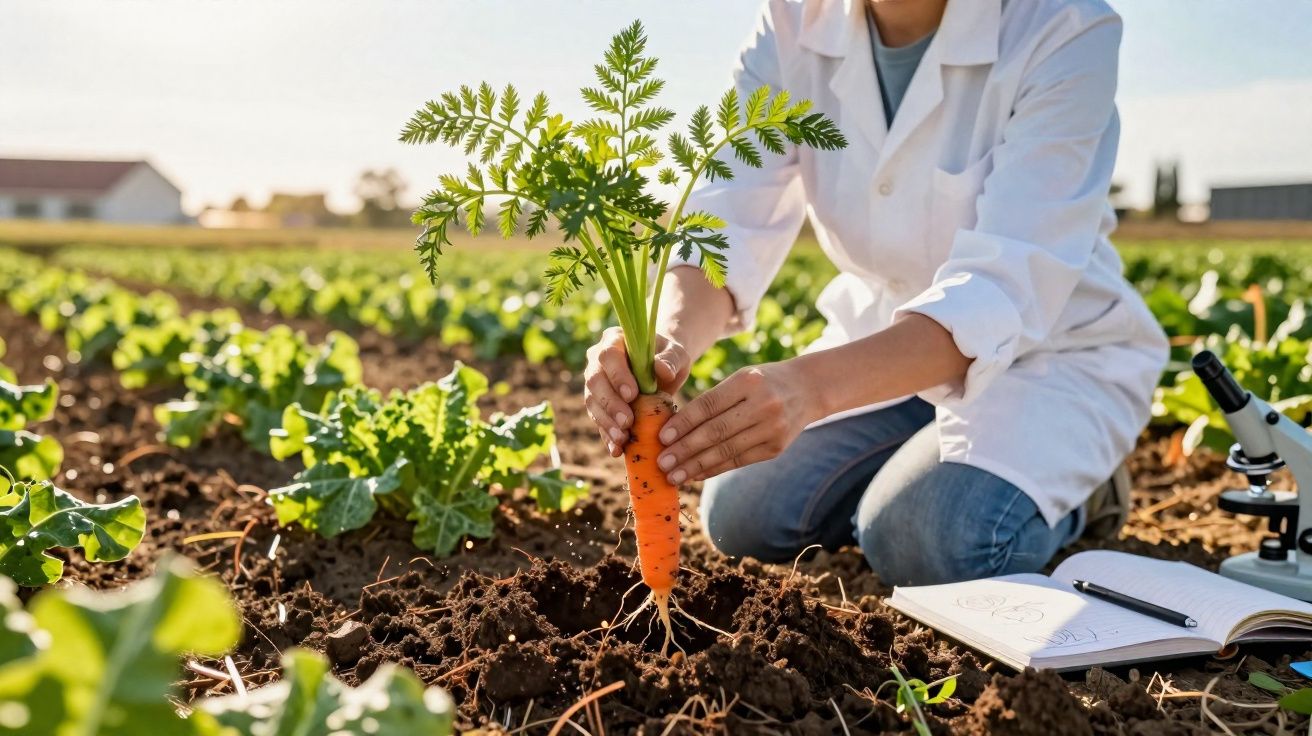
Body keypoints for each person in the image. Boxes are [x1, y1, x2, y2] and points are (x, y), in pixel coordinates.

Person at [583, 0, 1168, 586]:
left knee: (927, 540)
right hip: (880, 348)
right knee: (744, 518)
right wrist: (666, 343)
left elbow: (1004, 287)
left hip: (1044, 357)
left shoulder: (1063, 24)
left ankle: (1086, 490)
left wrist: (808, 390)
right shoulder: (795, 19)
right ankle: (917, 459)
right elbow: (729, 217)